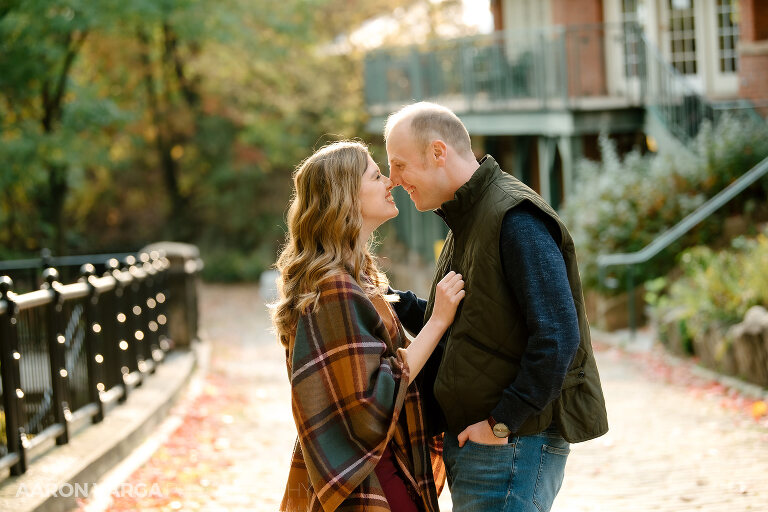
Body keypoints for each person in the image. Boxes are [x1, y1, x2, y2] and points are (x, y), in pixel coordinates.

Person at [384, 102, 609, 512]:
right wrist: (387, 300)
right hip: (489, 446)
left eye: (399, 165)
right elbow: (474, 321)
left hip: (509, 445)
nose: (394, 180)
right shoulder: (469, 218)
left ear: (438, 152)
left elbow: (558, 335)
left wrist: (500, 423)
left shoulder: (514, 218)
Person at [270, 140, 465, 511]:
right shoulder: (333, 289)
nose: (390, 181)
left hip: (384, 466)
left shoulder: (354, 276)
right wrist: (438, 320)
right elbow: (371, 404)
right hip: (370, 480)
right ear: (346, 196)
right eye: (377, 176)